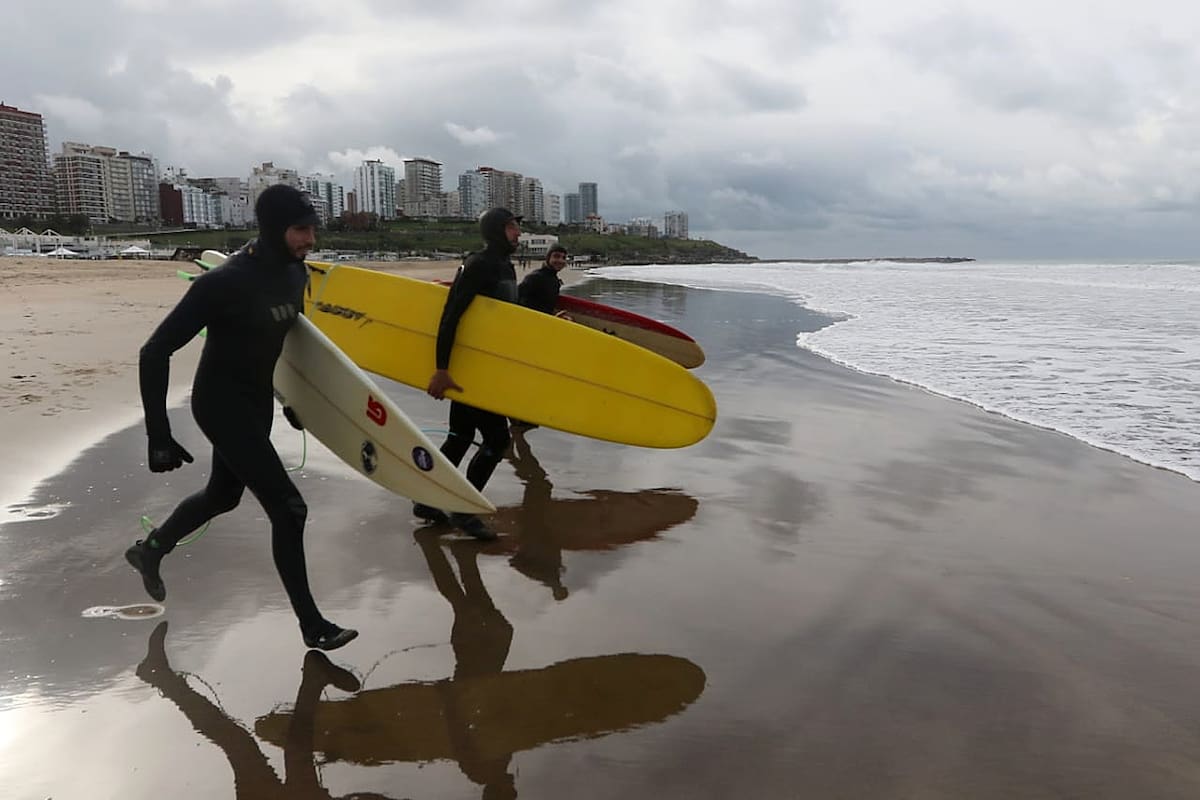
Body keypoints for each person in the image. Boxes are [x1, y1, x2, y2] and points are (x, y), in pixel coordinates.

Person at [124, 183, 357, 652]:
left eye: (313, 228)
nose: (310, 239)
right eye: (299, 229)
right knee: (290, 509)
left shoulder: (297, 274)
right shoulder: (224, 283)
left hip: (257, 403)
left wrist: (298, 402)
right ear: (272, 229)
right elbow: (155, 351)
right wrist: (159, 435)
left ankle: (149, 551)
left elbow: (287, 343)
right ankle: (312, 625)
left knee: (222, 496)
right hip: (220, 404)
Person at [414, 207, 523, 541]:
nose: (517, 233)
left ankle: (427, 501)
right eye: (511, 227)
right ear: (495, 230)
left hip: (487, 367)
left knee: (460, 438)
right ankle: (462, 508)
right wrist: (442, 369)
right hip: (469, 370)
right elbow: (450, 316)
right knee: (497, 439)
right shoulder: (479, 265)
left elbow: (500, 316)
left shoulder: (505, 266)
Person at [509, 244, 571, 433]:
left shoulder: (553, 280)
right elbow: (519, 301)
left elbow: (542, 303)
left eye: (563, 257)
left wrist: (555, 315)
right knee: (524, 375)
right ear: (548, 258)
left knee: (532, 374)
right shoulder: (535, 278)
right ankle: (515, 416)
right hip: (527, 333)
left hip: (540, 332)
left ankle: (521, 416)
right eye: (556, 256)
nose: (559, 261)